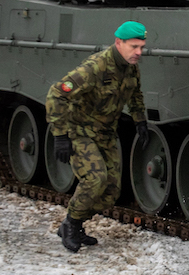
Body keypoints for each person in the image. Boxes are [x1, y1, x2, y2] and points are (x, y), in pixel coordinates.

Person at [46, 20, 150, 252]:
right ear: (118, 43)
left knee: (111, 192)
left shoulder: (130, 67)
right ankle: (70, 225)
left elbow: (135, 94)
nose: (138, 52)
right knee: (95, 180)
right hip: (80, 131)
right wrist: (60, 135)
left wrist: (139, 120)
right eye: (134, 46)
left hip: (105, 133)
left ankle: (76, 223)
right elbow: (57, 94)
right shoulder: (95, 67)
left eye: (141, 47)